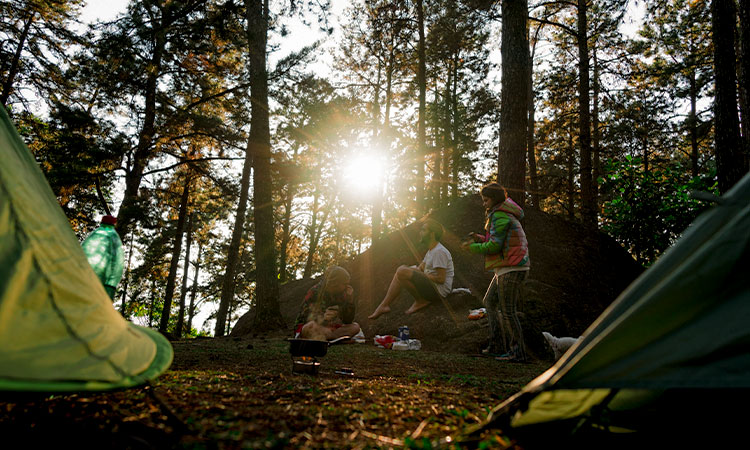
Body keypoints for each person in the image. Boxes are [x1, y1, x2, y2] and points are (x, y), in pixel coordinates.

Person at [462, 182, 530, 361]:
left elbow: (495, 245)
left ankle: (518, 352)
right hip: (507, 267)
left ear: (495, 199)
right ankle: (497, 345)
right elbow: (497, 238)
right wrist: (479, 238)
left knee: (508, 310)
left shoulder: (500, 215)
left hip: (512, 267)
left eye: (486, 200)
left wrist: (473, 247)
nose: (483, 204)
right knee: (489, 302)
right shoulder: (501, 214)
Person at [368, 218, 454, 319]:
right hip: (432, 287)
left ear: (432, 234)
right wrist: (410, 270)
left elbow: (441, 279)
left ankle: (421, 300)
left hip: (439, 292)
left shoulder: (439, 252)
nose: (420, 232)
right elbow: (420, 268)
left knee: (402, 271)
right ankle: (384, 305)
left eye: (423, 230)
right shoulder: (431, 251)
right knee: (401, 271)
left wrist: (412, 273)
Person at [295, 266, 361, 341]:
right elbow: (305, 317)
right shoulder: (315, 292)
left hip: (330, 329)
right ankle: (336, 338)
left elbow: (348, 321)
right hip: (313, 327)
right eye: (344, 284)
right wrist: (324, 317)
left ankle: (331, 337)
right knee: (310, 327)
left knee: (355, 327)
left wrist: (350, 301)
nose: (347, 287)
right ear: (335, 283)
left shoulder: (343, 294)